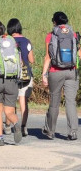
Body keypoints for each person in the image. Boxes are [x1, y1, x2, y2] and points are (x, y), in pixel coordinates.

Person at [42, 11, 80, 140]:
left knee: (54, 102)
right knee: (70, 102)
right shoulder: (73, 34)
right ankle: (73, 131)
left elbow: (48, 57)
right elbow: (79, 54)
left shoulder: (51, 35)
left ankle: (50, 131)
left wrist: (44, 74)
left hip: (55, 71)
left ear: (54, 22)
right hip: (71, 71)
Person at [4, 19, 34, 137]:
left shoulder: (7, 41)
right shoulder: (27, 41)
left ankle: (7, 125)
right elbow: (31, 60)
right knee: (23, 101)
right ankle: (23, 127)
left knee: (10, 101)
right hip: (25, 75)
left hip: (11, 75)